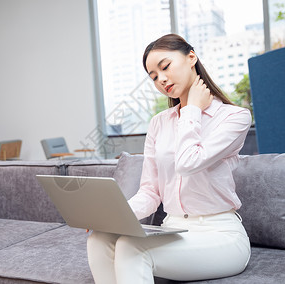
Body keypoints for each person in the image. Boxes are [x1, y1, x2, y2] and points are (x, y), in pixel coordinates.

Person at [87, 33, 252, 284]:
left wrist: (192, 110)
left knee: (133, 249)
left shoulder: (235, 117)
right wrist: (111, 217)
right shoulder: (158, 123)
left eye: (165, 67)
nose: (161, 79)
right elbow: (151, 192)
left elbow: (188, 163)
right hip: (173, 230)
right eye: (153, 76)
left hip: (220, 234)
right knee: (99, 237)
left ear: (191, 57)